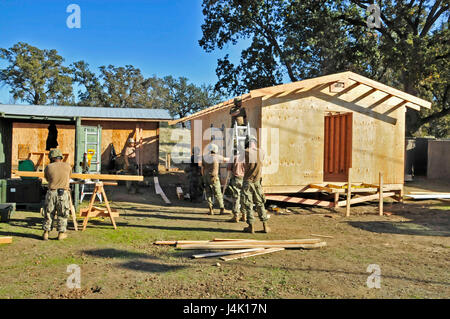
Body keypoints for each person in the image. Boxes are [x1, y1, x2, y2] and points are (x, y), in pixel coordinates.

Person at [241, 135, 270, 234]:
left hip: (247, 182)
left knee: (248, 204)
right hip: (257, 181)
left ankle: (251, 227)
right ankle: (265, 226)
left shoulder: (245, 152)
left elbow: (243, 165)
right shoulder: (262, 151)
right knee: (260, 203)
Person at [42, 149, 72, 241]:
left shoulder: (48, 167)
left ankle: (46, 233)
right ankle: (61, 234)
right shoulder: (68, 166)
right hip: (63, 193)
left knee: (48, 213)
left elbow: (47, 178)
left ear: (51, 158)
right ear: (60, 157)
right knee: (62, 214)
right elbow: (69, 177)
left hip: (52, 192)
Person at [202, 143, 230, 215]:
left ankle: (211, 210)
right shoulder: (216, 157)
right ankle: (222, 209)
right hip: (214, 177)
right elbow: (225, 160)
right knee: (218, 193)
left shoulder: (204, 157)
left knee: (208, 193)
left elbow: (203, 167)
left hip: (206, 177)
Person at [226, 147, 246, 223]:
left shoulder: (233, 158)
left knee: (236, 198)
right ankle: (244, 216)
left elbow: (228, 169)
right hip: (244, 179)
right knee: (244, 197)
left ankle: (236, 216)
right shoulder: (245, 158)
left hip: (236, 179)